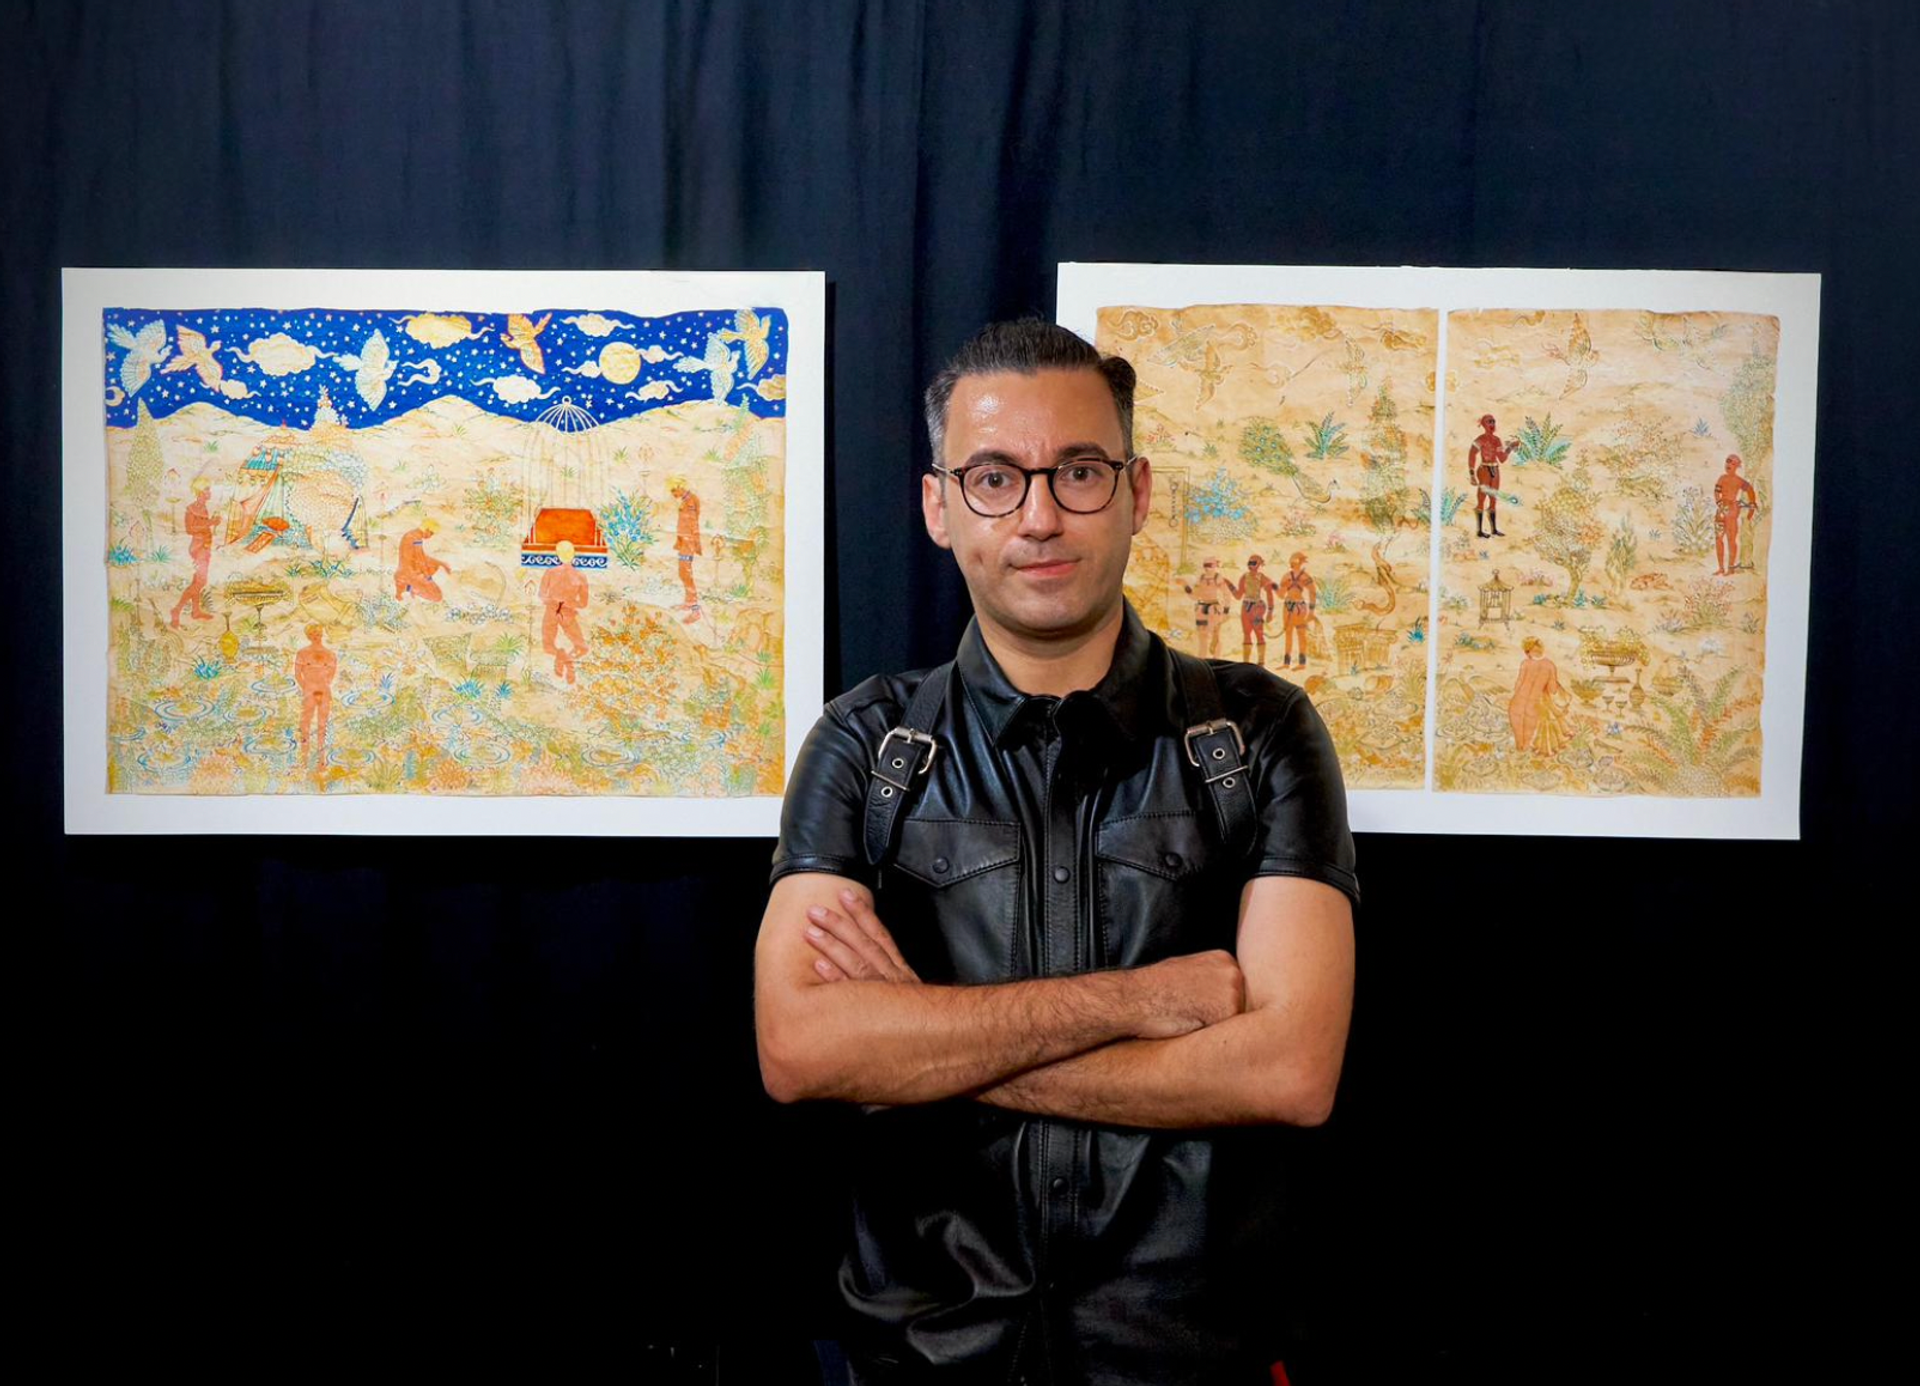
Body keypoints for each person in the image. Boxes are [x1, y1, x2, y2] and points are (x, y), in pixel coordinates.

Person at [755, 320, 1360, 1384]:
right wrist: (1144, 1001)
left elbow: (1290, 1072)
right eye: (994, 479)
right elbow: (802, 1050)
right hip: (922, 1358)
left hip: (1192, 1360)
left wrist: (922, 1055)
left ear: (1137, 491)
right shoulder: (864, 745)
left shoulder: (1260, 734)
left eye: (1078, 472)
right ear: (938, 506)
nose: (1039, 517)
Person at [539, 539, 590, 684]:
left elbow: (542, 595)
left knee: (547, 646)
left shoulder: (550, 572)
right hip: (567, 613)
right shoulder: (580, 576)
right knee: (582, 648)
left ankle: (561, 655)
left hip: (551, 611)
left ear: (558, 555)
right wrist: (570, 603)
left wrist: (553, 601)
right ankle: (568, 660)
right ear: (573, 554)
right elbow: (583, 603)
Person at [1509, 636, 1569, 755]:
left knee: (1518, 731)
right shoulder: (1549, 665)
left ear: (1527, 651)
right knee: (1529, 731)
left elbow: (1518, 684)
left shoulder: (1525, 663)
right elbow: (1552, 690)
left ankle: (1519, 748)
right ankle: (1525, 750)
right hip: (1535, 702)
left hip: (1518, 701)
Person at [170, 478, 218, 627]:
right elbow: (190, 529)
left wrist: (212, 522)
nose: (209, 492)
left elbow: (201, 525)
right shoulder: (191, 508)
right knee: (201, 581)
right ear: (200, 491)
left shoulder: (203, 507)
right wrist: (211, 522)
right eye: (206, 489)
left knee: (196, 581)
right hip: (199, 548)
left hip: (205, 546)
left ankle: (196, 611)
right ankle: (177, 610)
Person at [292, 623, 339, 769]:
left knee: (322, 724)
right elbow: (297, 674)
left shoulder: (330, 654)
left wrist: (322, 686)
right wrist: (307, 687)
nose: (315, 637)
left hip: (324, 691)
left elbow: (331, 675)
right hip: (309, 691)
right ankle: (304, 758)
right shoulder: (302, 653)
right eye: (312, 634)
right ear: (308, 636)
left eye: (318, 634)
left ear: (322, 634)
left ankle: (321, 759)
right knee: (305, 723)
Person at [1713, 453, 1759, 577]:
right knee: (1718, 538)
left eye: (1732, 463)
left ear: (1736, 466)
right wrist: (1719, 503)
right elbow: (1717, 492)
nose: (1728, 465)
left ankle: (1731, 568)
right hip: (1721, 511)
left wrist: (1752, 503)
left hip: (1732, 511)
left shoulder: (1739, 481)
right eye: (1727, 462)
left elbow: (1750, 490)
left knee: (1731, 539)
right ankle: (1721, 568)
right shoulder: (1722, 478)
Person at [1231, 553, 1281, 666]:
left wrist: (1270, 611)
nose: (1250, 565)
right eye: (1249, 563)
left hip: (1257, 608)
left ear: (1259, 564)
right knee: (1246, 633)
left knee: (1259, 634)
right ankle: (1246, 663)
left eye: (1253, 563)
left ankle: (1261, 662)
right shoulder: (1244, 577)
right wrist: (1229, 586)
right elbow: (1238, 595)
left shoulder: (1261, 577)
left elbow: (1269, 593)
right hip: (1245, 607)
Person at [1469, 413, 1512, 538]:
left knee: (1493, 499)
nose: (1492, 424)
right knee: (1481, 498)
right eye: (1489, 422)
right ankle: (1479, 531)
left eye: (1493, 421)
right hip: (1484, 470)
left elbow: (1502, 459)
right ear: (1483, 424)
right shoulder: (1480, 439)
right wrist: (1472, 474)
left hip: (1495, 470)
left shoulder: (1497, 440)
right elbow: (1472, 454)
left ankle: (1494, 529)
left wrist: (1510, 448)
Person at [1181, 556, 1231, 657]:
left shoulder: (1217, 577)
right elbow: (1194, 596)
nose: (1207, 568)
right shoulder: (1201, 578)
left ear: (1215, 566)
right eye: (1205, 565)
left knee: (1215, 636)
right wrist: (1185, 586)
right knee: (1202, 637)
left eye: (1209, 565)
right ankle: (1202, 660)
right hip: (1201, 609)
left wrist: (1226, 610)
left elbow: (1226, 594)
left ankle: (1216, 660)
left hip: (1213, 609)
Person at [1276, 551, 1318, 669]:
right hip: (1294, 606)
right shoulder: (1296, 576)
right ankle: (1291, 663)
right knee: (1293, 634)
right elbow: (1312, 592)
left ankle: (1298, 663)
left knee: (1298, 634)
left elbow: (1312, 593)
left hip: (1294, 607)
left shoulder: (1290, 576)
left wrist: (1311, 612)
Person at [669, 476, 703, 621]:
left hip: (688, 543)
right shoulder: (685, 500)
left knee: (686, 573)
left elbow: (693, 524)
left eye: (673, 490)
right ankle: (689, 603)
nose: (672, 494)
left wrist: (692, 544)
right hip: (684, 543)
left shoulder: (690, 501)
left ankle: (695, 610)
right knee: (683, 573)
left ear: (680, 487)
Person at [395, 517, 450, 601]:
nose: (430, 536)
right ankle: (407, 587)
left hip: (407, 571)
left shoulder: (413, 535)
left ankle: (407, 586)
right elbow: (421, 559)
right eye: (431, 533)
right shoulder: (415, 538)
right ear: (427, 529)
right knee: (437, 596)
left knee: (434, 566)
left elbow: (421, 556)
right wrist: (427, 577)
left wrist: (441, 563)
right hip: (409, 573)